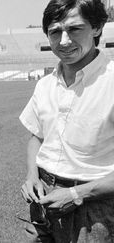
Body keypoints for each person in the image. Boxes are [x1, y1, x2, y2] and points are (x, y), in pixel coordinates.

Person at [19, 0, 114, 241]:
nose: (63, 41)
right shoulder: (44, 85)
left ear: (97, 28)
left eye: (74, 29)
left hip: (95, 210)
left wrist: (74, 194)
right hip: (43, 202)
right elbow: (37, 137)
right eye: (55, 32)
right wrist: (31, 176)